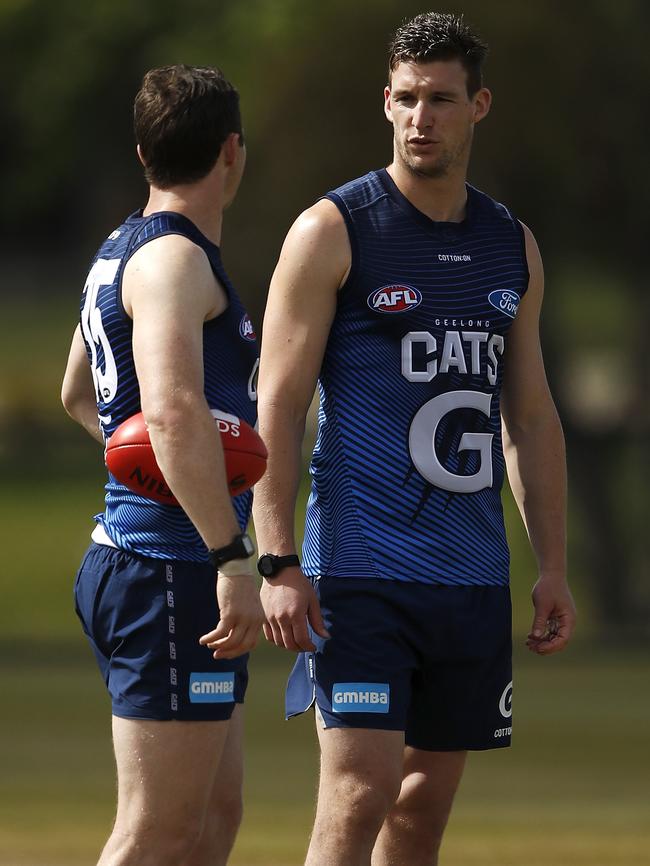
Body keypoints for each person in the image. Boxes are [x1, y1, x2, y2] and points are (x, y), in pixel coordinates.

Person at [252, 12, 577, 866]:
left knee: (421, 810)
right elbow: (277, 408)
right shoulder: (333, 230)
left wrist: (552, 565)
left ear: (479, 106)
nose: (420, 118)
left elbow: (531, 417)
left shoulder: (512, 245)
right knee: (359, 793)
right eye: (405, 98)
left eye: (440, 99)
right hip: (359, 569)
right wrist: (277, 560)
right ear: (385, 103)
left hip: (471, 574)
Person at [61, 65, 264, 866]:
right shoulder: (176, 262)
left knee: (213, 819)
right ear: (232, 152)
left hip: (151, 563)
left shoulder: (118, 251)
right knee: (156, 833)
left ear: (143, 153)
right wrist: (230, 554)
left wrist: (153, 472)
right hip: (172, 569)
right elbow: (174, 412)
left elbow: (80, 394)